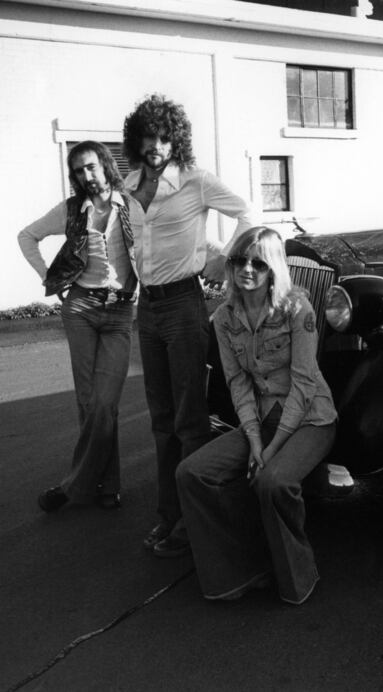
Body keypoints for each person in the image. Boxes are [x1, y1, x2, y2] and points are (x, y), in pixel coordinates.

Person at [122, 93, 257, 557]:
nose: (156, 145)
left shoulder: (195, 182)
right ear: (137, 140)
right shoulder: (130, 184)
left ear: (174, 139)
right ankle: (169, 514)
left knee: (189, 417)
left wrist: (223, 262)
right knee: (161, 419)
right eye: (149, 137)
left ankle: (193, 521)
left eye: (164, 137)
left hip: (183, 305)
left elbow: (247, 211)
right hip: (148, 308)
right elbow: (128, 243)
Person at [175, 226, 337, 603]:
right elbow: (238, 385)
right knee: (192, 473)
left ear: (273, 269)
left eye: (258, 263)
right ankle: (239, 570)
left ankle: (299, 577)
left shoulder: (297, 308)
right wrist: (253, 442)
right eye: (238, 261)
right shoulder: (224, 318)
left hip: (311, 418)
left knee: (272, 482)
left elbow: (303, 382)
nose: (247, 269)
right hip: (261, 421)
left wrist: (271, 448)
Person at [18, 141, 139, 512]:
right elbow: (27, 236)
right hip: (80, 308)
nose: (87, 176)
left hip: (119, 313)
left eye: (91, 167)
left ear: (105, 165)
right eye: (79, 171)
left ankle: (73, 486)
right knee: (90, 404)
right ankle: (108, 485)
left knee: (105, 402)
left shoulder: (132, 204)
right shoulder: (72, 210)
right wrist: (52, 280)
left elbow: (157, 243)